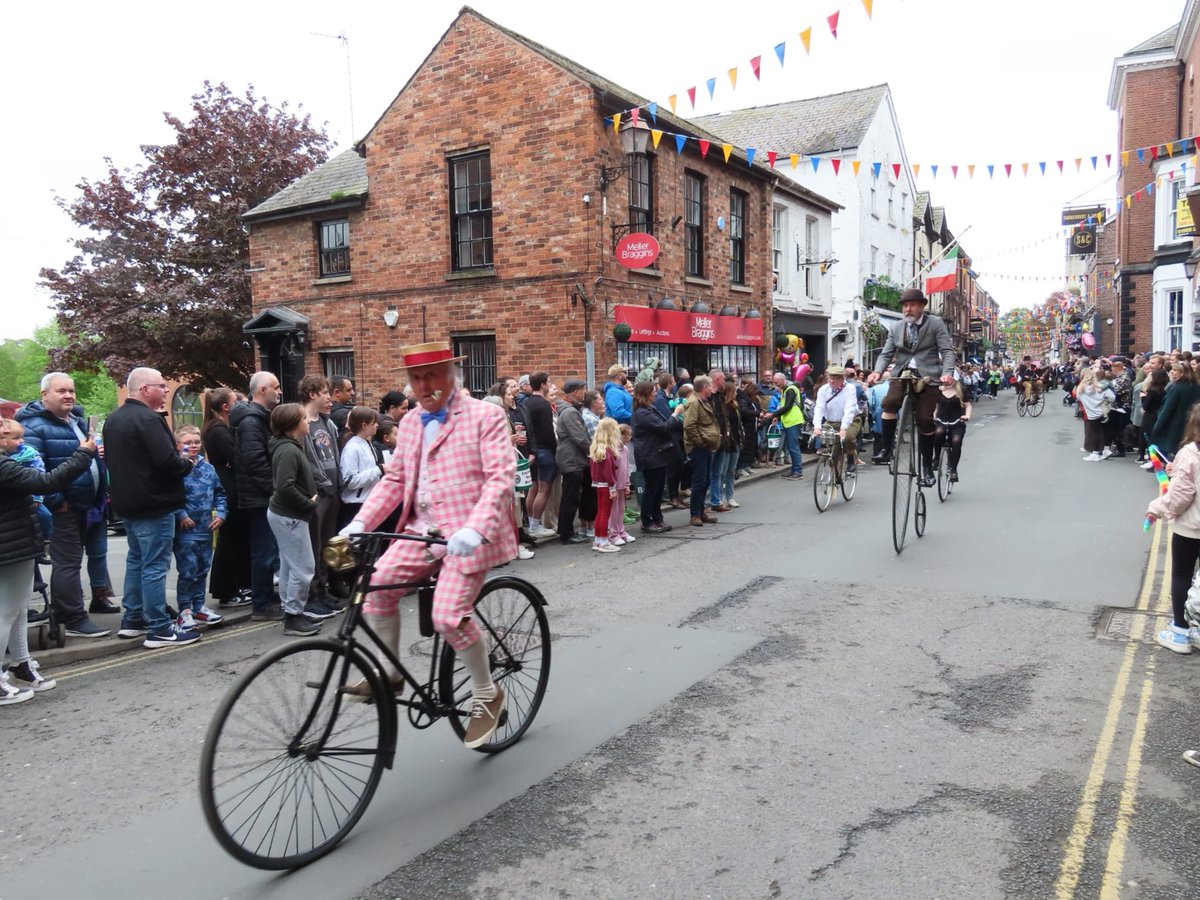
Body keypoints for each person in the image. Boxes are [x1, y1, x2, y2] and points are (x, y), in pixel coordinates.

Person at [339, 341, 517, 748]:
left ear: (451, 376)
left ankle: (487, 693)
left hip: (470, 533)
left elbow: (499, 478)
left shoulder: (485, 415)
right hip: (422, 529)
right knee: (375, 589)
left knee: (449, 617)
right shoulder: (415, 422)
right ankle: (390, 670)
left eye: (432, 375)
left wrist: (474, 528)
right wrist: (361, 522)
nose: (424, 385)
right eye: (417, 378)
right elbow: (397, 480)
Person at [0, 416, 96, 701]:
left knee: (17, 610)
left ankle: (21, 665)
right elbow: (46, 482)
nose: (15, 436)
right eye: (6, 431)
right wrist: (83, 454)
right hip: (9, 544)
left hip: (16, 542)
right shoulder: (3, 465)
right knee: (6, 612)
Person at [104, 367, 201, 648]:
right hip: (154, 503)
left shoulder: (114, 419)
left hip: (128, 504)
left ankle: (133, 618)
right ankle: (159, 627)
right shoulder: (148, 419)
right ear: (145, 390)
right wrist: (187, 464)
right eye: (162, 385)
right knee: (155, 566)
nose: (167, 389)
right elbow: (167, 461)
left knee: (137, 560)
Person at [15, 373, 113, 637]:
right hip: (64, 508)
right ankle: (72, 619)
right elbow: (32, 470)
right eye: (61, 391)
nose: (69, 395)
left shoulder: (76, 421)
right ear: (45, 395)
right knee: (67, 564)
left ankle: (72, 612)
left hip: (87, 505)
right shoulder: (33, 427)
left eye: (71, 391)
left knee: (78, 561)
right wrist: (58, 502)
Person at [867, 288, 956, 487]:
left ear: (922, 306)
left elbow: (947, 351)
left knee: (925, 420)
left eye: (912, 305)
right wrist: (878, 371)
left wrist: (947, 372)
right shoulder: (897, 327)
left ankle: (926, 466)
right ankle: (886, 449)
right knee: (888, 403)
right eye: (905, 306)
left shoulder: (935, 323)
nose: (908, 309)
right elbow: (886, 353)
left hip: (927, 375)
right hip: (903, 373)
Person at [1146, 404, 1200, 654]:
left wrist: (1155, 508)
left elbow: (1181, 496)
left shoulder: (1191, 453)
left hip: (1192, 526)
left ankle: (1180, 632)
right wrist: (1176, 471)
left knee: (1182, 575)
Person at [265, 403, 322, 637]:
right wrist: (309, 503)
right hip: (290, 516)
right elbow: (284, 487)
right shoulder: (288, 450)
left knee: (290, 566)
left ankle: (292, 612)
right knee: (304, 567)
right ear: (293, 424)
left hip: (287, 515)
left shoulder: (289, 446)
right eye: (304, 418)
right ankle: (293, 617)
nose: (308, 421)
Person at [232, 371, 283, 621]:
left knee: (269, 550)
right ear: (262, 389)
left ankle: (265, 598)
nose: (280, 391)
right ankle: (261, 605)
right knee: (264, 552)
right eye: (276, 387)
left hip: (262, 495)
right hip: (260, 497)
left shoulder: (259, 418)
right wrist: (275, 490)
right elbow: (255, 461)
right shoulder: (252, 421)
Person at [171, 424, 226, 630]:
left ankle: (198, 606)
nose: (193, 446)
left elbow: (220, 493)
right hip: (186, 531)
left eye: (196, 442)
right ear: (177, 445)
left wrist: (221, 513)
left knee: (203, 569)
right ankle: (184, 610)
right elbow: (170, 494)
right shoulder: (177, 468)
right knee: (188, 571)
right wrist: (181, 514)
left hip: (206, 528)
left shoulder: (208, 468)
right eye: (187, 443)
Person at [298, 375, 342, 618]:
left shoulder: (326, 422)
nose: (328, 396)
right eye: (325, 392)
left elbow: (333, 454)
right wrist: (322, 483)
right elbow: (307, 460)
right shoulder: (303, 422)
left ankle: (324, 590)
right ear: (312, 394)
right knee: (314, 544)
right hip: (318, 491)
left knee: (327, 543)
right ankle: (314, 593)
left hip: (334, 488)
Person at [202, 387, 251, 607]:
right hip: (228, 486)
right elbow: (235, 456)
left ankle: (237, 585)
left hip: (229, 483)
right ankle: (226, 590)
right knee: (228, 540)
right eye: (235, 401)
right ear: (226, 407)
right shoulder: (218, 430)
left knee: (234, 539)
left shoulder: (220, 428)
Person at [631, 380, 679, 534]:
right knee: (651, 489)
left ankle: (657, 518)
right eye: (652, 391)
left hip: (657, 453)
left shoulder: (649, 409)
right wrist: (676, 413)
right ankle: (647, 521)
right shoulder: (642, 413)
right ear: (646, 394)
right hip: (649, 455)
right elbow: (663, 428)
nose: (655, 394)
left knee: (658, 489)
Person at [555, 380, 594, 544]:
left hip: (573, 458)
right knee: (570, 498)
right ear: (576, 392)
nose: (584, 393)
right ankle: (566, 533)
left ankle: (565, 530)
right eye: (582, 390)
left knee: (570, 497)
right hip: (572, 459)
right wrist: (593, 452)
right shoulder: (570, 412)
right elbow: (580, 438)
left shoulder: (569, 409)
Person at [523, 372, 557, 538]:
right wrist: (555, 448)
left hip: (532, 451)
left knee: (533, 488)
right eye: (548, 383)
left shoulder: (526, 402)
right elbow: (548, 432)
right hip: (545, 450)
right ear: (543, 385)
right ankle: (536, 526)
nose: (550, 385)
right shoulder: (543, 404)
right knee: (543, 490)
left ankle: (531, 523)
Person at [683, 375, 720, 527]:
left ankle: (701, 511)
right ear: (704, 388)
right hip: (698, 447)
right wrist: (699, 442)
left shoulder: (703, 401)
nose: (712, 389)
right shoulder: (694, 403)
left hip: (706, 446)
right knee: (699, 482)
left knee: (705, 481)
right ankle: (695, 515)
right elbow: (689, 425)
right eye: (710, 386)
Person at [339, 406, 385, 526]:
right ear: (364, 425)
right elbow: (350, 481)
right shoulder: (352, 448)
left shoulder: (366, 443)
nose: (377, 425)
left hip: (368, 502)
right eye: (373, 423)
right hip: (355, 505)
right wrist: (379, 470)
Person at [811, 365, 862, 470]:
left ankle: (851, 457)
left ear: (842, 378)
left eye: (835, 378)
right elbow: (819, 408)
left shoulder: (850, 389)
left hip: (851, 421)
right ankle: (833, 479)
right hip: (831, 422)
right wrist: (817, 427)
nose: (831, 381)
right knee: (833, 453)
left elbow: (849, 409)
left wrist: (843, 428)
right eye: (830, 378)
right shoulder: (823, 390)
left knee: (848, 438)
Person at [1150, 362, 1200, 459]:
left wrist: (1157, 426)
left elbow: (1167, 409)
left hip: (1175, 425)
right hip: (1192, 423)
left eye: (1175, 370)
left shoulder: (1176, 388)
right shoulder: (1196, 387)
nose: (1171, 372)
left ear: (1182, 373)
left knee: (1172, 453)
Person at [589, 417, 622, 553]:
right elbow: (608, 473)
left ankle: (598, 540)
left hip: (598, 484)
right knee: (605, 513)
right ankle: (603, 541)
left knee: (600, 512)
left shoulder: (597, 449)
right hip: (606, 486)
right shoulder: (607, 452)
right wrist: (612, 487)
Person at [931, 379, 972, 482]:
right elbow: (937, 405)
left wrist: (967, 416)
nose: (947, 382)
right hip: (942, 420)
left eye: (949, 380)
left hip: (957, 421)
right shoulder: (939, 391)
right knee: (938, 432)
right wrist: (934, 414)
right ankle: (936, 459)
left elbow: (968, 405)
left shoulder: (961, 390)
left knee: (956, 441)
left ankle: (953, 470)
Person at [1076, 367, 1115, 462]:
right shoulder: (1102, 388)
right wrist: (1104, 403)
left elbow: (1078, 398)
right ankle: (1105, 450)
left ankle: (1095, 453)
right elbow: (1112, 397)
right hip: (1103, 412)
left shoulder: (1081, 389)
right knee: (1104, 431)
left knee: (1094, 433)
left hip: (1091, 413)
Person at [772, 371, 805, 479]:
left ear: (783, 380)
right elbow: (784, 406)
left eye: (777, 383)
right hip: (789, 421)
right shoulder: (786, 389)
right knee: (791, 447)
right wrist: (778, 416)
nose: (775, 385)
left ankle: (798, 471)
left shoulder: (790, 389)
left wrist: (773, 414)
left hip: (793, 421)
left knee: (793, 447)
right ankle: (794, 469)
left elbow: (787, 406)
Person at [608, 423, 636, 545]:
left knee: (621, 509)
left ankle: (621, 531)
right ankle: (613, 533)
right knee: (613, 510)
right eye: (629, 435)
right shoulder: (612, 449)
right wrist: (612, 486)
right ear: (623, 436)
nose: (630, 438)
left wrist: (627, 484)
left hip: (622, 484)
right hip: (614, 485)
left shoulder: (625, 449)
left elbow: (626, 468)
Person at [1138, 369, 1169, 468]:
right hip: (1158, 414)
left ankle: (1152, 460)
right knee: (1156, 439)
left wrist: (1143, 397)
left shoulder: (1152, 390)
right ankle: (1155, 459)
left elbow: (1146, 406)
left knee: (1148, 439)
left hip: (1150, 416)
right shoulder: (1165, 389)